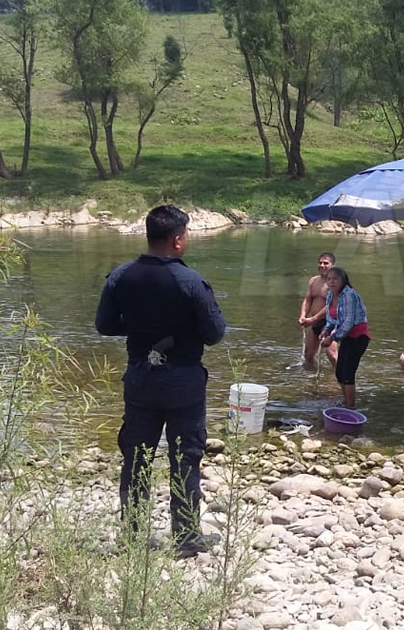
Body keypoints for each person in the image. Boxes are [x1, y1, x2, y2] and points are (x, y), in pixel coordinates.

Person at [95, 205, 226, 558]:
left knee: (136, 457)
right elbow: (215, 333)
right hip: (183, 381)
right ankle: (185, 540)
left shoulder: (121, 277)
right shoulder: (191, 282)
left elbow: (105, 326)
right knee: (186, 458)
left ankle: (134, 536)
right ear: (178, 240)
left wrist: (138, 328)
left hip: (140, 379)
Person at [319, 266, 370, 408]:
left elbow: (348, 322)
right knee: (339, 373)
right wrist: (327, 330)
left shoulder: (349, 295)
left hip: (358, 336)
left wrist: (332, 338)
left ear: (343, 280)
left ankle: (350, 407)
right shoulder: (330, 295)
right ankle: (347, 402)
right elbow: (332, 318)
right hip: (346, 337)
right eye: (329, 279)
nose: (331, 282)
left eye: (335, 279)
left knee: (348, 374)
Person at [299, 252, 337, 369]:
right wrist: (303, 315)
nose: (322, 265)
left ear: (333, 266)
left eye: (326, 263)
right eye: (320, 263)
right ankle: (312, 379)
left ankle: (340, 378)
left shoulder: (335, 283)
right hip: (313, 321)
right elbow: (308, 299)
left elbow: (331, 305)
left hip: (329, 322)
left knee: (332, 355)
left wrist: (313, 319)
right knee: (308, 355)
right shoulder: (313, 281)